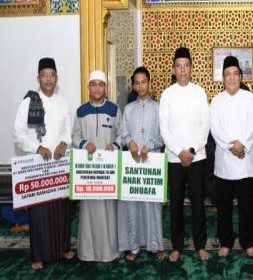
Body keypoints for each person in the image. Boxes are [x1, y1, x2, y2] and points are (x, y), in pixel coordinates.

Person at [13, 57, 73, 270]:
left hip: (57, 164)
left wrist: (64, 143)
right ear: (38, 78)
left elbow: (68, 130)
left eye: (51, 76)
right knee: (39, 213)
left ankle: (62, 248)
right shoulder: (29, 101)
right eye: (44, 76)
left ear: (57, 78)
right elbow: (18, 133)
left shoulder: (62, 101)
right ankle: (38, 255)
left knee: (60, 210)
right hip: (37, 165)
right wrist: (37, 148)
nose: (48, 80)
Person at [159, 47, 210, 262]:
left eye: (186, 66)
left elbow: (204, 126)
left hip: (196, 157)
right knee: (176, 203)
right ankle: (177, 245)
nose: (182, 71)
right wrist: (179, 152)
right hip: (174, 158)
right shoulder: (167, 94)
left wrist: (191, 151)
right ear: (173, 69)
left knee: (198, 203)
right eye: (178, 67)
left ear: (191, 69)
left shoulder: (199, 92)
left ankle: (200, 245)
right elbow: (164, 129)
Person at [210, 56, 253, 258]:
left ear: (241, 76)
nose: (232, 78)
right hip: (224, 163)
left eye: (235, 74)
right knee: (224, 207)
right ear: (223, 78)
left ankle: (247, 242)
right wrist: (232, 147)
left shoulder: (250, 98)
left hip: (244, 163)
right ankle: (226, 242)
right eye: (228, 74)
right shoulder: (216, 101)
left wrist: (243, 145)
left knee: (246, 206)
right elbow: (215, 129)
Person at [72, 70, 122, 262]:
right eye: (93, 84)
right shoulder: (80, 111)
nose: (97, 88)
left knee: (109, 210)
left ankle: (109, 252)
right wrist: (84, 144)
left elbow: (121, 134)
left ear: (105, 88)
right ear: (88, 87)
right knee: (88, 211)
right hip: (88, 172)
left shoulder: (115, 109)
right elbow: (74, 136)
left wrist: (115, 145)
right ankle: (87, 252)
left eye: (100, 84)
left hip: (108, 171)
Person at [118, 66, 165, 261]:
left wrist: (150, 145)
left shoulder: (159, 108)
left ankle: (155, 245)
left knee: (152, 205)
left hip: (151, 161)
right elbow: (122, 134)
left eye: (143, 82)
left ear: (149, 83)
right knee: (132, 205)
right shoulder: (128, 109)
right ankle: (134, 246)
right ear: (133, 85)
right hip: (133, 162)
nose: (140, 86)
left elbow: (164, 136)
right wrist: (130, 142)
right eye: (136, 83)